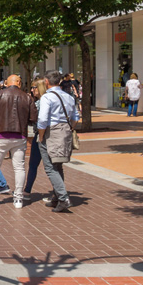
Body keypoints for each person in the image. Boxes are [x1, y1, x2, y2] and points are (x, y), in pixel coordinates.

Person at [0, 75, 37, 208]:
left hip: (0, 136)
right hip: (20, 136)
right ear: (18, 82)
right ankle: (18, 198)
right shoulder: (27, 97)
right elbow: (33, 117)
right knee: (19, 167)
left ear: (7, 83)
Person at [38, 70, 80, 213]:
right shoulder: (68, 96)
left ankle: (63, 198)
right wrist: (69, 128)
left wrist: (41, 136)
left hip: (51, 132)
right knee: (58, 165)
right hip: (64, 131)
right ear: (60, 81)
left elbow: (43, 120)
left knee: (50, 167)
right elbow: (76, 116)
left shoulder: (47, 98)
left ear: (46, 82)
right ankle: (57, 197)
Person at [23, 78, 49, 197]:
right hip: (45, 135)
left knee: (36, 164)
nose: (32, 90)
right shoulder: (43, 100)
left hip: (41, 136)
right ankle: (27, 190)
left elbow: (34, 119)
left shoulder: (40, 102)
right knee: (52, 166)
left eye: (34, 87)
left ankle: (27, 190)